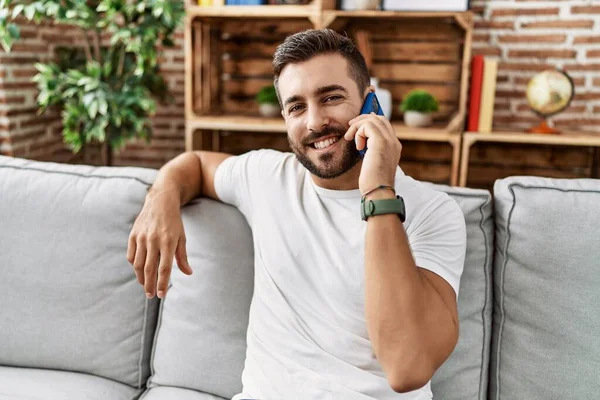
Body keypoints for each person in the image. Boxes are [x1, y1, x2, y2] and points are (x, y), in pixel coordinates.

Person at [127, 28, 467, 400]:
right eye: (297, 107)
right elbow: (194, 164)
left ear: (371, 105)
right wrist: (160, 200)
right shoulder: (267, 177)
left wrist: (378, 190)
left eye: (331, 97)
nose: (315, 122)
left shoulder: (432, 212)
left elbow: (407, 368)